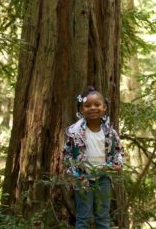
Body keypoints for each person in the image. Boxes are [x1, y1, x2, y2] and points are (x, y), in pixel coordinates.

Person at [63, 86, 124, 229]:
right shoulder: (76, 132)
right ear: (81, 109)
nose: (92, 108)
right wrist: (73, 173)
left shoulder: (110, 132)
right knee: (83, 217)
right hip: (82, 178)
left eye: (97, 105)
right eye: (87, 105)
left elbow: (118, 151)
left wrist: (118, 164)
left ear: (104, 107)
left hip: (103, 177)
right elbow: (67, 153)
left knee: (103, 216)